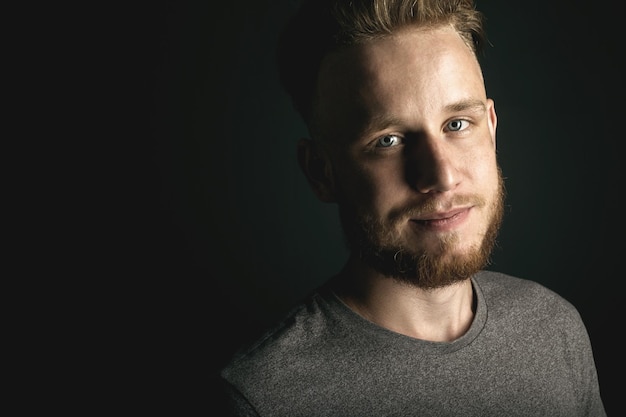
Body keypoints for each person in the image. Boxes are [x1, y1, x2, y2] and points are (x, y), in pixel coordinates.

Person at [217, 0, 607, 415]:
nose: (440, 177)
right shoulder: (264, 397)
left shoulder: (554, 328)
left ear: (490, 129)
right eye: (388, 140)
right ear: (321, 171)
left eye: (457, 124)